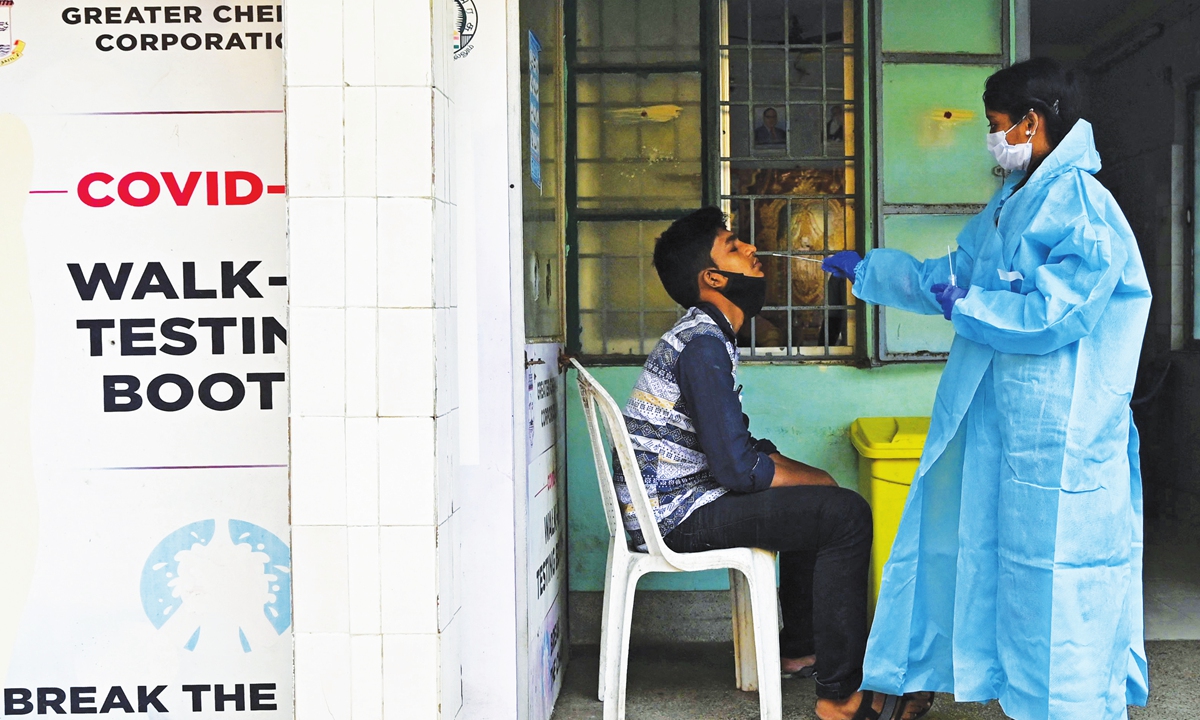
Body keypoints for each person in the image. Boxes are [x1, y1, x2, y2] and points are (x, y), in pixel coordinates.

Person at [823, 58, 1151, 720]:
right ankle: (940, 684)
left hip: (1062, 434)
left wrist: (970, 306)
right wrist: (874, 274)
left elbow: (1057, 313)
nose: (992, 140)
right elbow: (954, 274)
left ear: (1033, 122)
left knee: (1056, 588)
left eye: (998, 126)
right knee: (990, 567)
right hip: (1007, 427)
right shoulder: (1012, 202)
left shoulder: (1084, 206)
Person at [615, 207, 926, 720]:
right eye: (735, 247)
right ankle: (840, 698)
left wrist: (800, 476)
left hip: (682, 501)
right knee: (843, 515)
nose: (753, 251)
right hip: (674, 517)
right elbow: (737, 469)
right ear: (714, 278)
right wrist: (817, 481)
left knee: (814, 500)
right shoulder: (701, 345)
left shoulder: (706, 336)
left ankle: (800, 648)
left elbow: (734, 443)